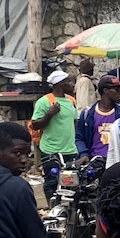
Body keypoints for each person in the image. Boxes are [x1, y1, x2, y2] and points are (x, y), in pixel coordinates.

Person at [31, 70, 80, 202]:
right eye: (68, 81)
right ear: (59, 84)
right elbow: (35, 125)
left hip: (70, 150)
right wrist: (50, 114)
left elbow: (75, 122)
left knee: (73, 183)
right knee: (52, 182)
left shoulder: (71, 100)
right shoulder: (44, 101)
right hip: (51, 150)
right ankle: (52, 208)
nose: (71, 84)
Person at [75, 75, 120, 166]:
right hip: (94, 162)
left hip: (117, 162)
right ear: (105, 91)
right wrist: (84, 154)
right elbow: (79, 137)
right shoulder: (87, 114)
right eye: (117, 89)